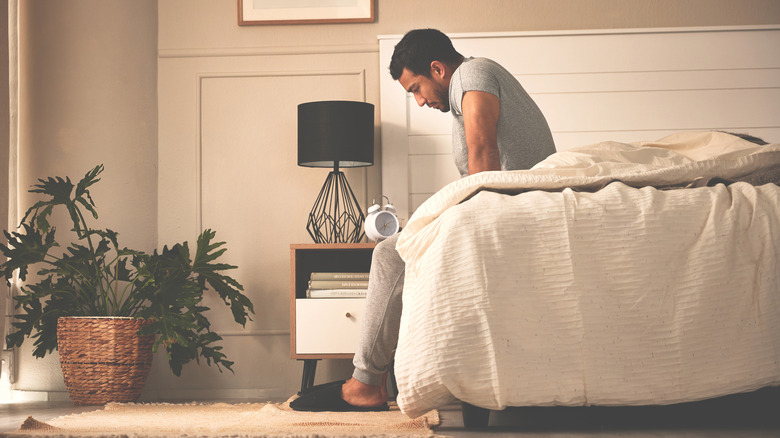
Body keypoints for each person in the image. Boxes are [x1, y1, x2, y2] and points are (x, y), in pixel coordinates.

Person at [291, 28, 556, 412]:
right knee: (400, 245)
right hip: (508, 204)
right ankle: (369, 379)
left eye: (416, 88)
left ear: (437, 69)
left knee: (389, 254)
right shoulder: (470, 83)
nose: (418, 101)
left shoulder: (473, 74)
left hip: (512, 211)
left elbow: (483, 153)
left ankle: (366, 384)